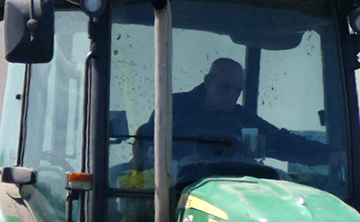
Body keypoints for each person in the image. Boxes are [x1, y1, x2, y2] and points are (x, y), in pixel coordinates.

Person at [131, 58, 329, 174]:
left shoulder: (244, 119)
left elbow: (280, 141)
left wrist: (329, 154)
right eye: (226, 88)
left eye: (237, 91)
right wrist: (150, 153)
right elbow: (145, 141)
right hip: (177, 190)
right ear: (208, 82)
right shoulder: (174, 107)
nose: (231, 97)